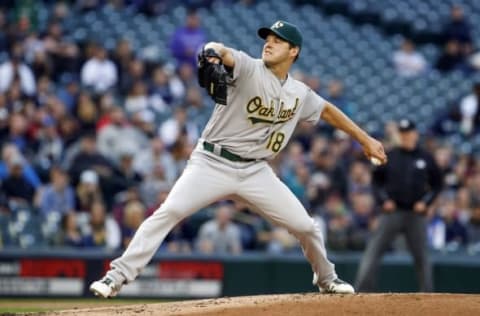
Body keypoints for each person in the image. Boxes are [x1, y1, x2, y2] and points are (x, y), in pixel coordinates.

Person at [90, 20, 387, 298]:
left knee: (306, 227)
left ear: (293, 51)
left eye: (278, 41)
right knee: (169, 212)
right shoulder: (248, 67)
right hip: (212, 162)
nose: (269, 44)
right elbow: (221, 50)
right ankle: (116, 277)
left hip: (255, 171)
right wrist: (211, 53)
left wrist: (365, 139)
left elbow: (326, 111)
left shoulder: (298, 92)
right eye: (267, 39)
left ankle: (326, 279)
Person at [355, 119, 443, 292]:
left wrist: (426, 203)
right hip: (392, 212)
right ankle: (362, 291)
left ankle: (428, 295)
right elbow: (376, 182)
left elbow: (438, 184)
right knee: (373, 251)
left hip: (415, 214)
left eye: (408, 132)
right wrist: (383, 200)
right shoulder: (391, 155)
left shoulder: (425, 157)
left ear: (415, 134)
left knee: (422, 257)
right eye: (402, 133)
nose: (406, 136)